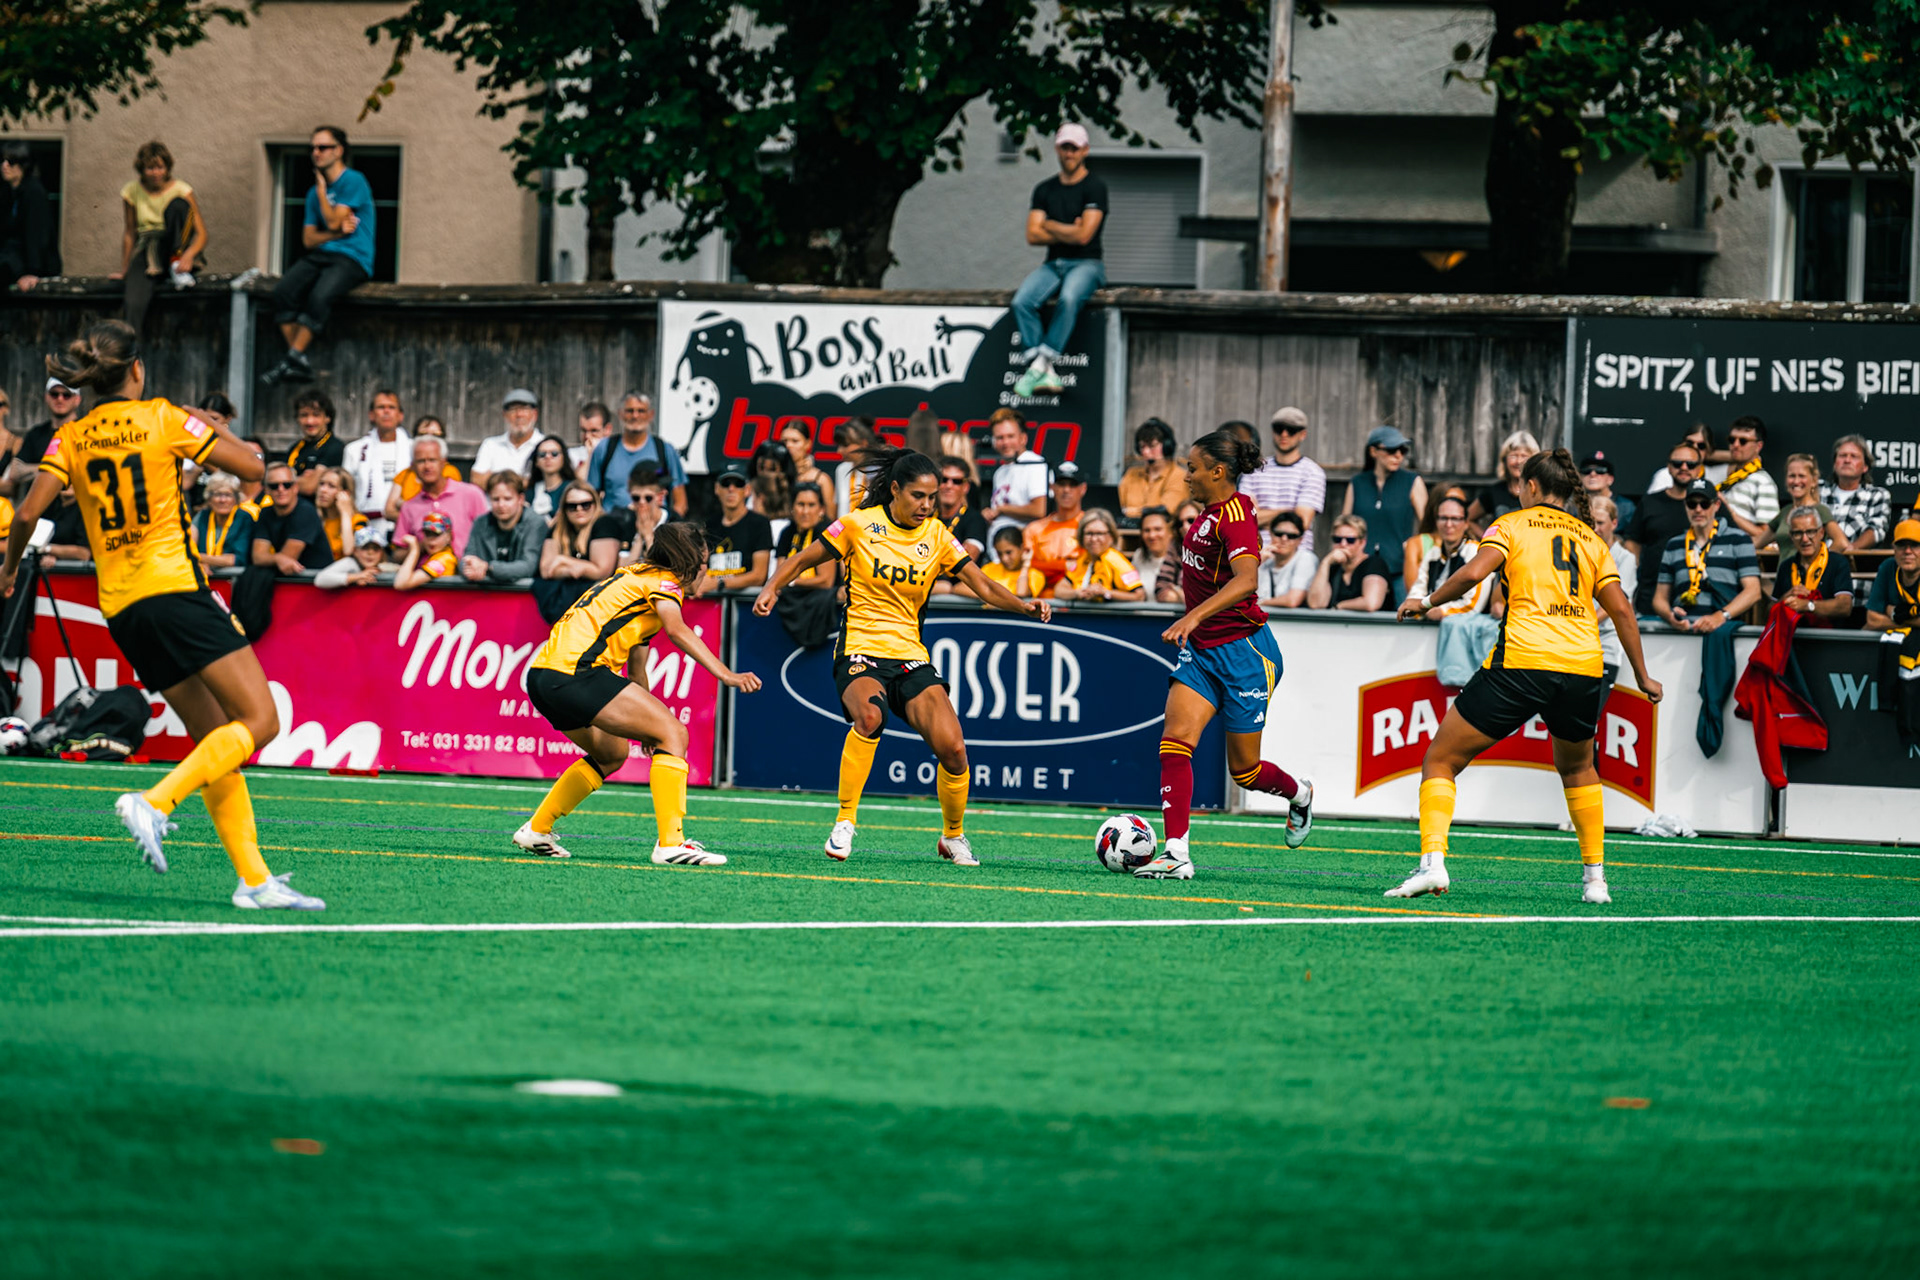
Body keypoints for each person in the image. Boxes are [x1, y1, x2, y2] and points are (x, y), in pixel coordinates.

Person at [0, 319, 322, 909]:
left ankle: (254, 881)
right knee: (260, 720)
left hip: (121, 608)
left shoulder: (69, 437)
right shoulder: (163, 417)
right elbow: (252, 468)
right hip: (174, 588)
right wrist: (211, 427)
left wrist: (7, 570)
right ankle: (156, 801)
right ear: (138, 370)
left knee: (212, 736)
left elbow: (23, 517)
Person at [754, 446, 1054, 865]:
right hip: (859, 648)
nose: (927, 505)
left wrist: (1023, 605)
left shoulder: (937, 536)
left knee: (954, 749)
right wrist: (772, 587)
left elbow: (982, 585)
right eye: (918, 496)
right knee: (871, 717)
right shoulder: (859, 524)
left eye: (932, 498)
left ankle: (953, 836)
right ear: (895, 490)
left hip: (910, 655)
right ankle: (845, 822)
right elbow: (804, 558)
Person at [1387, 449, 1661, 903]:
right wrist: (1644, 676)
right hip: (1582, 668)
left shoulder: (1512, 525)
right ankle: (1596, 881)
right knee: (1578, 769)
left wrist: (1427, 601)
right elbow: (1622, 611)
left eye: (1519, 484)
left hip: (1523, 661)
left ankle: (1432, 864)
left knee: (1440, 759)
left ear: (1530, 487)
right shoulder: (1592, 539)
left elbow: (1474, 572)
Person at [517, 523, 761, 865]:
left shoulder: (632, 578)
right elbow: (678, 630)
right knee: (676, 733)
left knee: (612, 754)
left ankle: (537, 829)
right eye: (704, 565)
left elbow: (636, 670)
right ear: (688, 562)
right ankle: (670, 844)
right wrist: (726, 674)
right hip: (576, 672)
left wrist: (648, 728)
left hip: (543, 677)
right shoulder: (664, 583)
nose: (706, 574)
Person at [1143, 429, 1315, 881]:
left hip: (1245, 653)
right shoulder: (1206, 513)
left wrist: (1191, 616)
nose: (1186, 476)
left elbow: (1247, 581)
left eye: (1193, 469)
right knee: (1174, 742)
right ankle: (1176, 851)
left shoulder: (1235, 516)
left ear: (1218, 472)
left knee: (1245, 771)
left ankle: (1299, 793)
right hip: (1202, 653)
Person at [262, 126, 374, 386]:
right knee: (283, 293)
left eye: (323, 147)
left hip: (354, 258)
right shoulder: (313, 193)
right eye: (312, 147)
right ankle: (297, 358)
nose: (316, 153)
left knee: (319, 296)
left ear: (339, 150)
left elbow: (334, 220)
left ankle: (291, 360)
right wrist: (334, 234)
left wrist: (324, 194)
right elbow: (309, 239)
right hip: (324, 255)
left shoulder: (353, 181)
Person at [1011, 124, 1108, 399]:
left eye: (1075, 148)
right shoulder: (1044, 189)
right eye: (1065, 147)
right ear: (1057, 148)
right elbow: (1032, 234)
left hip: (1088, 265)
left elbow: (1085, 236)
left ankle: (1038, 364)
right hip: (1053, 264)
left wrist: (1050, 226)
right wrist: (1068, 227)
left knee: (1069, 298)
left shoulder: (1095, 187)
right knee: (1022, 301)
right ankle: (1045, 369)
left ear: (1085, 150)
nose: (1069, 153)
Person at [113, 141, 209, 334]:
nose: (155, 173)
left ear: (167, 169)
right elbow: (130, 232)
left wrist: (188, 256)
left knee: (178, 206)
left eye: (159, 167)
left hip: (175, 243)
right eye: (150, 168)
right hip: (148, 249)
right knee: (133, 302)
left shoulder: (181, 189)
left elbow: (201, 233)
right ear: (142, 169)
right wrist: (125, 269)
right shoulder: (131, 191)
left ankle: (176, 264)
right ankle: (131, 358)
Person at [1652, 480, 1763, 634]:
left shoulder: (1738, 539)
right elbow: (1659, 598)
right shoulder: (1674, 544)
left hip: (1723, 631)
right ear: (1685, 506)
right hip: (1682, 632)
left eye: (1704, 504)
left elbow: (1753, 591)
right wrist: (1669, 614)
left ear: (1716, 505)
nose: (1698, 509)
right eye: (1692, 504)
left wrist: (1720, 616)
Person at [1621, 441, 1704, 616]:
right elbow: (1632, 543)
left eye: (1690, 464)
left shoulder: (1707, 504)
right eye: (1677, 463)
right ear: (1668, 467)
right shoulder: (1650, 502)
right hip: (1651, 592)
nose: (1683, 468)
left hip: (1698, 596)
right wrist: (1632, 578)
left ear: (1698, 468)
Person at [1341, 425, 1427, 596]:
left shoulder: (1412, 482)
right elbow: (1344, 525)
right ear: (1373, 452)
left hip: (1400, 568)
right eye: (1391, 450)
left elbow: (1428, 525)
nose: (1398, 455)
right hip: (1362, 569)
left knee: (1405, 617)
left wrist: (1413, 547)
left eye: (1402, 450)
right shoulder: (1357, 483)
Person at [1237, 408, 1326, 555]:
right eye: (1279, 429)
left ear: (1302, 434)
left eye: (1291, 430)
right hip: (1256, 553)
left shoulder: (1312, 472)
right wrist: (1287, 512)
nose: (1284, 434)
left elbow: (1301, 522)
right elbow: (1245, 520)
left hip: (1296, 557)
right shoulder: (1255, 470)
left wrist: (1261, 517)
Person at [587, 392, 688, 516]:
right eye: (630, 410)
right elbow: (591, 497)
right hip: (614, 527)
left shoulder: (664, 450)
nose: (635, 416)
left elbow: (680, 503)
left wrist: (667, 528)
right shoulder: (604, 448)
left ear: (651, 415)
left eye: (641, 411)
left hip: (654, 529)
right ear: (620, 414)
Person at [536, 481, 622, 619]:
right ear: (564, 508)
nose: (579, 509)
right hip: (566, 608)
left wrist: (563, 560)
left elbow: (602, 571)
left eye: (585, 504)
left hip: (601, 609)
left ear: (595, 504)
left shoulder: (605, 524)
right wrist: (575, 569)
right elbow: (546, 570)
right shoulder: (558, 528)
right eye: (572, 506)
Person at [394, 436, 488, 550]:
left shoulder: (471, 494)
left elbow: (489, 537)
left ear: (444, 462)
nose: (427, 466)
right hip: (423, 567)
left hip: (464, 566)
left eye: (432, 460)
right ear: (413, 466)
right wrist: (422, 546)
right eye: (421, 461)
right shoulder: (409, 507)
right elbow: (398, 553)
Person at [1406, 495, 1490, 617]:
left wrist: (1441, 611)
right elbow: (1418, 591)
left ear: (1466, 523)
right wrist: (1417, 607)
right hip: (1430, 624)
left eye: (1455, 519)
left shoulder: (1476, 552)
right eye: (1443, 518)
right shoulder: (1433, 554)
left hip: (1466, 628)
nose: (1448, 524)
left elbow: (1473, 605)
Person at [342, 388, 410, 537]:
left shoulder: (413, 449)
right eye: (381, 407)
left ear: (400, 415)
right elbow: (347, 491)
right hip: (367, 525)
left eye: (391, 407)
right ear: (371, 415)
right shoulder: (354, 450)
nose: (386, 412)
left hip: (405, 525)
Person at [698, 462, 773, 594]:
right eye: (726, 484)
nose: (731, 489)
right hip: (712, 603)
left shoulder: (759, 524)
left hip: (745, 605)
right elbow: (700, 566)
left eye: (738, 484)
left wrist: (719, 583)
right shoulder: (710, 525)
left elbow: (759, 576)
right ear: (717, 488)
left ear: (747, 490)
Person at [1772, 506, 1854, 626]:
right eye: (1798, 533)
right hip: (1793, 638)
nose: (1805, 539)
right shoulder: (1786, 566)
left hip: (1829, 639)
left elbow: (1845, 606)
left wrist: (1808, 605)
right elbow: (1769, 610)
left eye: (1810, 532)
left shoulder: (1837, 562)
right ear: (1791, 536)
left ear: (1821, 533)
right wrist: (1784, 599)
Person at [461, 472, 543, 583]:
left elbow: (528, 566)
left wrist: (488, 568)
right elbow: (466, 559)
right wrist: (470, 568)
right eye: (495, 499)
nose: (501, 505)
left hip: (525, 596)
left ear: (521, 499)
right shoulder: (480, 522)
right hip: (486, 594)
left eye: (507, 499)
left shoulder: (536, 523)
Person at [5, 377, 82, 497]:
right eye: (54, 394)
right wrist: (58, 469)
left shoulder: (85, 432)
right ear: (46, 397)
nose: (60, 399)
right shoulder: (36, 434)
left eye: (66, 395)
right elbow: (15, 472)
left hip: (75, 512)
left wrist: (37, 469)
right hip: (39, 513)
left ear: (77, 399)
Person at [1021, 460, 1089, 595]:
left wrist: (1047, 567)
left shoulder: (1090, 526)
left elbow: (1088, 566)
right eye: (1061, 484)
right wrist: (1064, 565)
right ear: (1052, 488)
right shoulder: (1034, 528)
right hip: (1040, 601)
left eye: (1072, 485)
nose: (1066, 490)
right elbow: (1028, 564)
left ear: (1083, 489)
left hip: (1077, 598)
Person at [1757, 453, 1848, 552]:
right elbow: (1757, 543)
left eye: (1801, 476)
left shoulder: (1820, 510)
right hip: (1784, 567)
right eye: (1792, 476)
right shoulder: (1785, 512)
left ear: (1813, 481)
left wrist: (1821, 562)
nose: (1796, 481)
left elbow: (1841, 542)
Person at [251, 463, 333, 573]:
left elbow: (288, 557)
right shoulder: (266, 512)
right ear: (266, 490)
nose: (281, 489)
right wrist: (277, 558)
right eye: (274, 486)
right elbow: (258, 557)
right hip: (293, 581)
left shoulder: (306, 512)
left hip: (317, 582)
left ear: (295, 488)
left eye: (287, 485)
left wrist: (276, 558)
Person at [980, 409, 1050, 537]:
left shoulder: (1034, 464)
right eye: (1000, 438)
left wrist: (1001, 509)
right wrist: (989, 514)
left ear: (1023, 438)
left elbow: (1039, 510)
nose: (1005, 443)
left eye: (1010, 436)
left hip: (1025, 547)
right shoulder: (1000, 472)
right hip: (996, 549)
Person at [2, 142, 59, 292]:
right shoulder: (9, 192)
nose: (5, 165)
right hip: (14, 260)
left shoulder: (33, 192)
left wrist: (32, 272)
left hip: (30, 265)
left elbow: (37, 235)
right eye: (3, 160)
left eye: (11, 161)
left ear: (23, 165)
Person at [1588, 496, 1633, 690]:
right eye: (1591, 523)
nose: (1595, 528)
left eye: (1600, 523)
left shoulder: (1625, 558)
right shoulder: (1581, 553)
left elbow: (1616, 605)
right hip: (1577, 645)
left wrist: (1581, 625)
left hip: (1605, 646)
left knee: (1590, 716)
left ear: (1614, 523)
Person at [1054, 509, 1143, 601]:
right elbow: (1059, 590)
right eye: (1089, 533)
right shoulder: (1084, 559)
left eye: (1099, 533)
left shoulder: (1116, 561)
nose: (1094, 539)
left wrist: (1105, 593)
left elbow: (1139, 596)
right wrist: (1078, 593)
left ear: (1111, 536)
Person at [1822, 434, 1892, 551]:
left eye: (1854, 456)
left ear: (1865, 467)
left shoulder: (1877, 495)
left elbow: (1876, 530)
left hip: (1854, 563)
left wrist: (1851, 549)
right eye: (1842, 456)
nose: (1847, 460)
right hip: (1813, 562)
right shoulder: (1818, 490)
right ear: (1835, 464)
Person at [1308, 515, 1392, 612]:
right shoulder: (1332, 568)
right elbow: (1315, 603)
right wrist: (1325, 563)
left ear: (1362, 543)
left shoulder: (1374, 564)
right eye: (1337, 540)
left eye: (1350, 540)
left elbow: (1371, 603)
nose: (1343, 544)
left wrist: (1339, 606)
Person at [1716, 415, 1780, 542]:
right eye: (1731, 440)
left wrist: (1729, 511)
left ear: (1758, 446)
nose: (1735, 445)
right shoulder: (1727, 476)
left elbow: (1767, 535)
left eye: (1743, 441)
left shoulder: (1763, 482)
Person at [383, 416, 462, 519]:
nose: (429, 439)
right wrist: (414, 519)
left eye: (436, 435)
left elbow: (446, 507)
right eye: (423, 434)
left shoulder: (450, 472)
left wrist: (404, 505)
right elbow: (388, 511)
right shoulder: (405, 474)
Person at [1401, 484, 1471, 594]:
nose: (1454, 506)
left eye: (1460, 502)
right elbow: (1414, 590)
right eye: (1450, 501)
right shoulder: (1417, 544)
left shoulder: (1472, 548)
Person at [1468, 430, 1539, 534]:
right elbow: (1469, 518)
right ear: (1504, 460)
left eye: (1524, 456)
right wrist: (1487, 540)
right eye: (1513, 456)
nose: (1518, 461)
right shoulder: (1495, 491)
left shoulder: (1539, 492)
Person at [472, 388, 543, 490]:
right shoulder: (491, 445)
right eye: (513, 410)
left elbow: (547, 482)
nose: (519, 415)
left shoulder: (544, 445)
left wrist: (493, 479)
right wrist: (524, 481)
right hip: (493, 506)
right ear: (504, 414)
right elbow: (477, 480)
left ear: (534, 414)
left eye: (524, 409)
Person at [773, 483, 838, 592]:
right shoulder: (787, 533)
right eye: (800, 504)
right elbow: (779, 573)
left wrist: (792, 581)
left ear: (821, 509)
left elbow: (826, 581)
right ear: (792, 508)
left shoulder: (828, 533)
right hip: (791, 600)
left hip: (821, 602)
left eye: (811, 505)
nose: (805, 511)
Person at [1119, 419, 1188, 519]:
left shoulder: (1179, 476)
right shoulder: (1131, 474)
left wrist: (1130, 511)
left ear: (1166, 446)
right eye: (1142, 447)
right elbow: (1118, 507)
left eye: (1152, 446)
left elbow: (1166, 510)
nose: (1145, 452)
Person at [189, 472, 255, 570]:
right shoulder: (202, 516)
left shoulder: (244, 518)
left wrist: (200, 558)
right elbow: (187, 550)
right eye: (217, 494)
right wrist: (200, 564)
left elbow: (235, 560)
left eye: (228, 495)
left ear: (236, 499)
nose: (222, 500)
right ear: (209, 498)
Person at [286, 390, 345, 496]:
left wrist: (289, 480)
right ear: (297, 419)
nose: (310, 421)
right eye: (304, 415)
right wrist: (301, 480)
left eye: (316, 415)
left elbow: (310, 487)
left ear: (327, 418)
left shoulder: (334, 447)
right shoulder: (294, 448)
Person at [1865, 519, 1920, 632]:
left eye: (1914, 545)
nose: (1908, 551)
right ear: (1893, 549)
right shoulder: (1888, 567)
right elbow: (1872, 620)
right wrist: (1907, 619)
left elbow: (1879, 620)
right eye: (1901, 545)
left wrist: (1893, 613)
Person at [1254, 512, 1317, 608]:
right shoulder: (1263, 559)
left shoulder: (1305, 558)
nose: (1284, 539)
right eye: (1279, 534)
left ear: (1300, 540)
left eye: (1291, 536)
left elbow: (1293, 600)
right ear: (1270, 534)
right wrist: (1257, 563)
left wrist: (1259, 603)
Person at [613, 464, 671, 566]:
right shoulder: (627, 521)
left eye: (648, 498)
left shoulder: (672, 522)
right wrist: (640, 537)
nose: (642, 502)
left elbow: (660, 569)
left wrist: (648, 537)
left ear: (659, 497)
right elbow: (623, 569)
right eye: (636, 498)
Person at [934, 455, 989, 559]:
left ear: (966, 487)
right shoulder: (925, 515)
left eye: (957, 481)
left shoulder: (975, 519)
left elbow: (968, 559)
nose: (949, 486)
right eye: (944, 480)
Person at [970, 525, 1045, 600]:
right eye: (999, 553)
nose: (1004, 559)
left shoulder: (1035, 575)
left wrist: (1025, 566)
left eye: (1008, 552)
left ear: (1022, 548)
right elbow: (960, 587)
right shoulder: (989, 568)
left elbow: (1021, 593)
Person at [1646, 423, 1729, 492]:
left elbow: (1741, 459)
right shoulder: (1665, 475)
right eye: (1689, 443)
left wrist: (1709, 455)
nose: (1694, 448)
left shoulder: (1717, 474)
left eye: (1701, 446)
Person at [780, 420, 836, 517]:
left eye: (795, 441)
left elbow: (830, 519)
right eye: (784, 441)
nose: (788, 445)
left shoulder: (821, 480)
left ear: (807, 444)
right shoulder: (773, 476)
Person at [392, 511, 460, 589]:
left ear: (449, 536)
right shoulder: (439, 556)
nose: (431, 540)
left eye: (436, 534)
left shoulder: (444, 560)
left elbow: (401, 584)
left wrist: (414, 549)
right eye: (428, 534)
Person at [1155, 500, 1205, 604]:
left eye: (1191, 520)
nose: (1185, 527)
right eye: (1180, 523)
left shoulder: (1217, 546)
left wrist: (1178, 591)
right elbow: (1160, 589)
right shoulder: (1176, 546)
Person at [312, 467, 365, 562]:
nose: (323, 490)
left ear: (345, 493)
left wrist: (345, 513)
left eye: (331, 486)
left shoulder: (358, 520)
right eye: (321, 484)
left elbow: (348, 551)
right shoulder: (315, 520)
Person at [315, 526, 393, 589]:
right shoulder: (349, 563)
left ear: (382, 553)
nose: (370, 553)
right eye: (365, 548)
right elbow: (320, 579)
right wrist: (356, 577)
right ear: (355, 551)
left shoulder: (385, 567)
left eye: (376, 549)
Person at [524, 433, 576, 524]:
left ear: (563, 458)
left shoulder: (572, 488)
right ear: (536, 461)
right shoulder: (530, 492)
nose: (548, 457)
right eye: (542, 454)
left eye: (554, 453)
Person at [1579, 450, 1635, 532]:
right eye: (1586, 471)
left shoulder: (1626, 508)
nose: (1593, 474)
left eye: (1600, 470)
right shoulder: (1572, 506)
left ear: (1610, 479)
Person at [750, 438, 797, 529]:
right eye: (761, 467)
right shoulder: (745, 492)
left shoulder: (795, 496)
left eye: (772, 469)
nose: (765, 474)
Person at [1133, 507, 1175, 592]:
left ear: (1170, 532)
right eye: (1147, 530)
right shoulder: (1139, 556)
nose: (1152, 535)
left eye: (1158, 529)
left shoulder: (1181, 557)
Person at [573, 401, 613, 473]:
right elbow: (579, 483)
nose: (587, 436)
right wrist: (590, 455)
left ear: (607, 429)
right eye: (584, 430)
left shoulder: (617, 454)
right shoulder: (572, 456)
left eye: (594, 431)